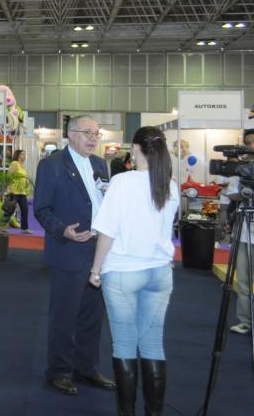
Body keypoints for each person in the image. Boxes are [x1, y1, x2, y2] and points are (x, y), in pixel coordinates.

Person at [89, 126, 178, 416]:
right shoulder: (170, 185)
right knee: (153, 345)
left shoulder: (122, 182)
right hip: (160, 272)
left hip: (123, 272)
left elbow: (107, 231)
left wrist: (95, 269)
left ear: (135, 149)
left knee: (124, 345)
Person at [34, 114, 115, 396]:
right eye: (87, 132)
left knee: (92, 317)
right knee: (64, 317)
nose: (93, 138)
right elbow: (41, 209)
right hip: (68, 250)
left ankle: (86, 368)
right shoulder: (52, 165)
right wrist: (62, 231)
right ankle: (58, 372)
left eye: (96, 134)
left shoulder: (100, 164)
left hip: (97, 251)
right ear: (71, 133)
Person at [228, 129, 254, 335]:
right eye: (248, 142)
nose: (250, 146)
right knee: (243, 281)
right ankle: (245, 321)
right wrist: (245, 193)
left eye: (253, 142)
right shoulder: (241, 169)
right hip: (244, 232)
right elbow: (231, 194)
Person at [7, 149, 32, 233]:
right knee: (10, 210)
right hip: (14, 191)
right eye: (22, 154)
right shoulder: (14, 163)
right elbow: (9, 175)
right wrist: (9, 188)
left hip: (22, 192)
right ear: (18, 155)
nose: (24, 156)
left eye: (24, 154)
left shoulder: (23, 166)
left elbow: (24, 177)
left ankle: (24, 228)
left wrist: (26, 184)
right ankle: (1, 225)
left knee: (25, 209)